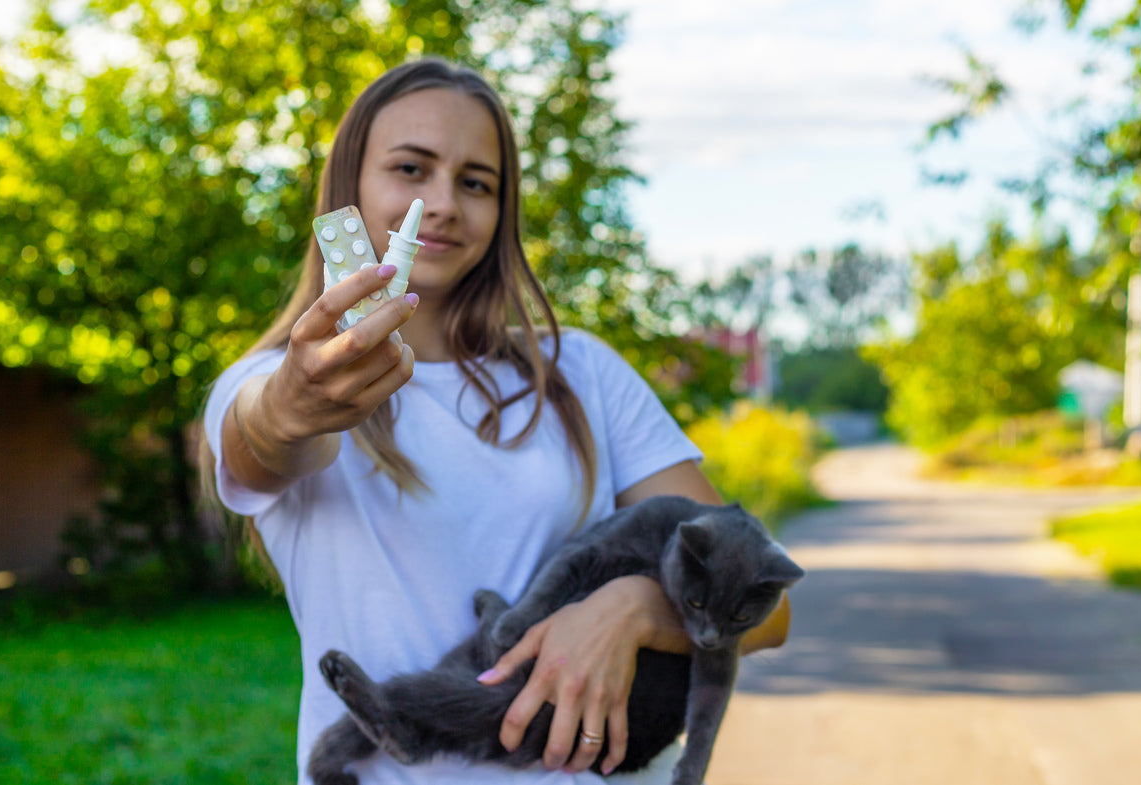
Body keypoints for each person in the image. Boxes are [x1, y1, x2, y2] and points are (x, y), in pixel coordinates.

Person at [199, 57, 790, 785]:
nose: (443, 202)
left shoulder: (584, 374)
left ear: (503, 210)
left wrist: (632, 607)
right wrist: (290, 405)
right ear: (347, 186)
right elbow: (265, 436)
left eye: (476, 181)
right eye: (411, 169)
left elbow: (767, 609)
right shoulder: (268, 381)